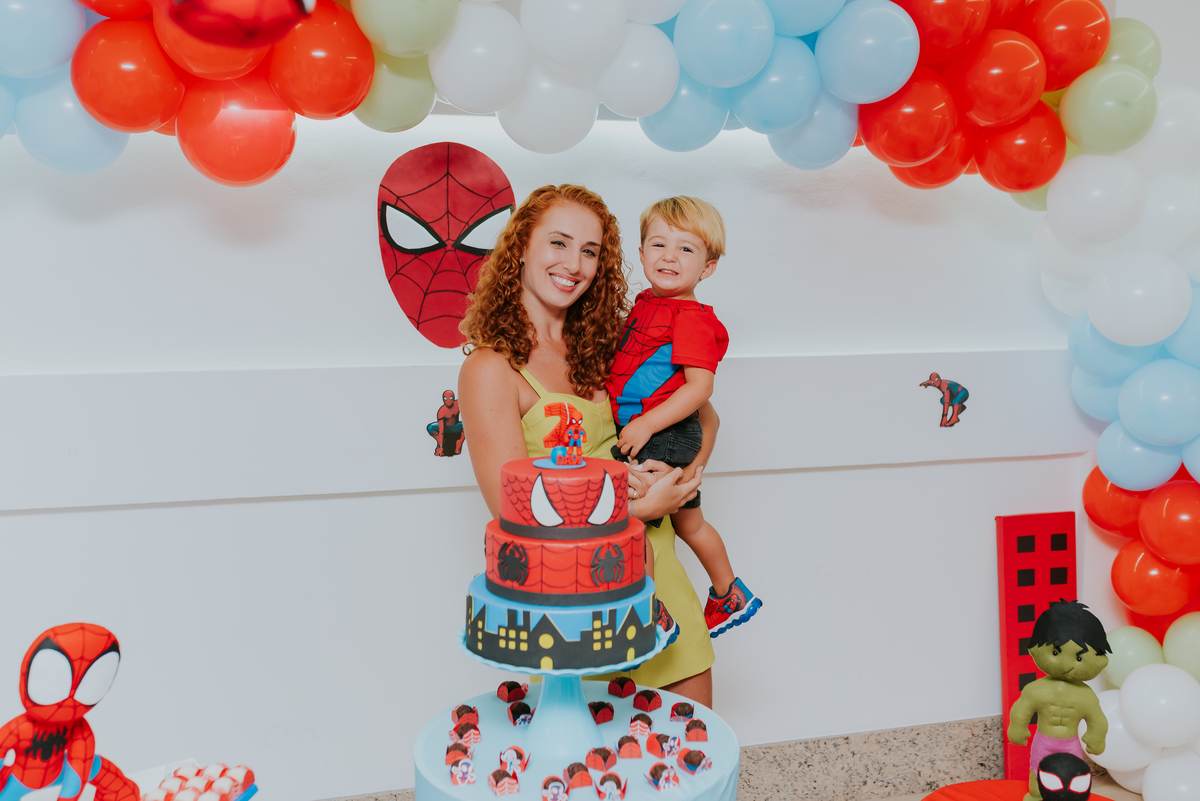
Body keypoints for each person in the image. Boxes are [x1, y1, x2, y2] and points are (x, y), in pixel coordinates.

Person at [458, 184, 717, 705]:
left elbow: (706, 414)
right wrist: (643, 506)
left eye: (591, 250)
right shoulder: (491, 369)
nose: (573, 263)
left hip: (662, 578)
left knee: (692, 770)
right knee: (591, 773)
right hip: (580, 608)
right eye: (558, 243)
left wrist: (685, 478)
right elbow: (517, 511)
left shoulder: (606, 345)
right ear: (522, 248)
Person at [608, 197, 760, 637]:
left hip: (664, 432)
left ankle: (648, 616)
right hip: (666, 432)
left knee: (630, 528)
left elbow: (700, 388)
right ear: (641, 255)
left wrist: (645, 425)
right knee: (690, 522)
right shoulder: (646, 305)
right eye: (658, 244)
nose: (669, 257)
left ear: (707, 268)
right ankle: (728, 593)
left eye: (686, 249)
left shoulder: (689, 318)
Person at [1006, 600, 1110, 801]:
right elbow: (1022, 709)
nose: (1067, 664)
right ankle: (1036, 796)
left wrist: (1096, 737)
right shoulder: (1037, 690)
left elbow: (1097, 719)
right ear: (1034, 648)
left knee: (1072, 775)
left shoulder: (1086, 696)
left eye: (1079, 658)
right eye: (1055, 652)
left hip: (1070, 744)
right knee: (1037, 770)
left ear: (1100, 661)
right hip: (1043, 741)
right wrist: (1018, 728)